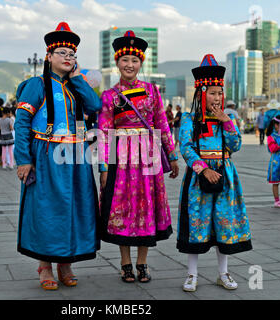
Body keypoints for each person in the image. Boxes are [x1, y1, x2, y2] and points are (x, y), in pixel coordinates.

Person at [14, 22, 102, 290]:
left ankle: (66, 263)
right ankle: (45, 266)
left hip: (75, 156)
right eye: (62, 52)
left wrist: (77, 79)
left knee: (75, 208)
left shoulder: (77, 85)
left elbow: (95, 106)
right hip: (46, 155)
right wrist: (24, 159)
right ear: (48, 57)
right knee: (47, 211)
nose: (67, 58)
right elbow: (21, 123)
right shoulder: (36, 84)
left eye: (72, 54)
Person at [98, 30, 179, 284]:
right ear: (117, 63)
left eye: (135, 61)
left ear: (141, 63)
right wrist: (103, 167)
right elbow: (103, 133)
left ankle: (142, 263)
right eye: (125, 60)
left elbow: (162, 124)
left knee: (146, 208)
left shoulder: (152, 91)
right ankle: (125, 263)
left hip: (148, 157)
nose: (130, 65)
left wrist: (173, 155)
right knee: (122, 209)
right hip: (121, 160)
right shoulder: (110, 96)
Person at [177, 54, 252, 292]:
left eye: (220, 93)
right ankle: (191, 274)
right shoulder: (190, 119)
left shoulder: (226, 119)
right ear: (201, 93)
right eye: (212, 93)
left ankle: (223, 273)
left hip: (226, 176)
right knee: (197, 223)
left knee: (224, 223)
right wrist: (204, 169)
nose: (217, 97)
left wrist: (226, 121)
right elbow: (186, 148)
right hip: (199, 178)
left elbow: (236, 145)